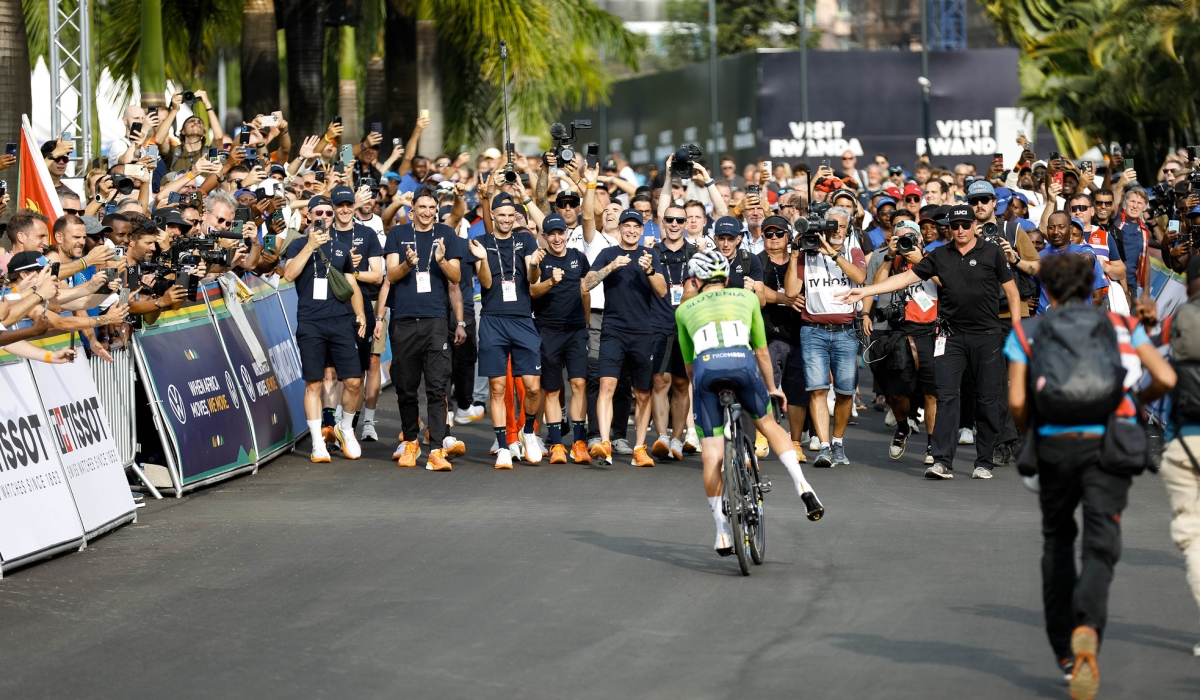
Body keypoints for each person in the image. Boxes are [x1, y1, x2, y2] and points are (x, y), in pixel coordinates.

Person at [1007, 253, 1174, 700]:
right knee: (1101, 543)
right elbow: (1163, 375)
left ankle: (1065, 652)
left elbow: (1018, 401)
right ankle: (1088, 627)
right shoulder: (1121, 325)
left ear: (1047, 289)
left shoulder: (1028, 331)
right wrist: (1134, 403)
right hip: (1109, 444)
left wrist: (1031, 435)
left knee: (1057, 540)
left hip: (1055, 445)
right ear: (1094, 288)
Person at [840, 204, 1021, 480]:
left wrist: (1017, 332)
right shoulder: (940, 255)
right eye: (955, 226)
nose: (960, 230)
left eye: (966, 225)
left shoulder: (992, 251)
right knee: (945, 396)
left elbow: (1012, 292)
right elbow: (905, 278)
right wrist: (865, 292)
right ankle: (941, 461)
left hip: (987, 336)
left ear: (975, 225)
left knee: (987, 399)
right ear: (949, 229)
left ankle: (984, 461)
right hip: (950, 336)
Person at [675, 248, 823, 554]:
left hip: (706, 372)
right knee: (767, 424)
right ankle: (803, 485)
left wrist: (701, 391)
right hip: (742, 365)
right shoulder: (747, 298)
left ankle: (722, 533)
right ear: (726, 276)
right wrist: (773, 388)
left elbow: (689, 367)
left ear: (696, 281)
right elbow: (762, 351)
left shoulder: (684, 309)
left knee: (712, 455)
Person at [384, 186, 466, 470]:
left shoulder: (446, 234)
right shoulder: (398, 234)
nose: (427, 212)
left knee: (437, 386)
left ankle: (436, 449)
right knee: (406, 387)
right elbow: (391, 275)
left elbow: (456, 277)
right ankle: (410, 441)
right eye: (422, 207)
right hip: (404, 320)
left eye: (432, 207)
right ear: (412, 211)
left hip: (435, 320)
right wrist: (408, 264)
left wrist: (441, 260)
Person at [281, 209, 368, 464]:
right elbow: (289, 274)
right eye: (318, 212)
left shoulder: (341, 248)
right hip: (311, 323)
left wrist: (360, 314)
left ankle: (345, 429)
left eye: (328, 212)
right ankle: (317, 443)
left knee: (353, 381)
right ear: (308, 216)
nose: (325, 215)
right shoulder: (297, 244)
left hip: (341, 321)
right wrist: (310, 245)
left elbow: (352, 285)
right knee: (314, 384)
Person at [584, 208, 667, 467]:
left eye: (636, 226)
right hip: (613, 329)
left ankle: (639, 448)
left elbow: (663, 291)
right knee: (606, 386)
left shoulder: (650, 255)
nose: (631, 231)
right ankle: (605, 443)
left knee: (642, 393)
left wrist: (650, 270)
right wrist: (611, 267)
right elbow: (586, 284)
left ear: (641, 230)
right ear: (619, 229)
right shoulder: (608, 254)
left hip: (643, 331)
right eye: (627, 226)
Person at [785, 205, 866, 468]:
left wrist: (833, 254)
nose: (836, 230)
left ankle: (838, 442)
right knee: (818, 389)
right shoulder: (806, 252)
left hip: (845, 332)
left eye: (841, 226)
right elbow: (790, 291)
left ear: (848, 228)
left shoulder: (853, 251)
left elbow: (860, 276)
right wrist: (795, 252)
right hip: (813, 331)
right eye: (831, 225)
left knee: (844, 392)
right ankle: (824, 446)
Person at [470, 192, 545, 468]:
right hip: (493, 319)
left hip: (523, 319)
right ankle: (503, 445)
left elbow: (532, 278)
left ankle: (528, 432)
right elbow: (486, 283)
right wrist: (482, 259)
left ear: (516, 217)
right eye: (500, 215)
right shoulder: (481, 242)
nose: (505, 219)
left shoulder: (526, 240)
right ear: (492, 215)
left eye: (510, 215)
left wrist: (534, 264)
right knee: (498, 387)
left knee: (532, 387)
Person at [530, 213, 591, 464]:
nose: (557, 238)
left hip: (575, 330)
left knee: (579, 384)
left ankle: (579, 442)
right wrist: (550, 282)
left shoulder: (578, 257)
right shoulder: (539, 259)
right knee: (552, 389)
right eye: (552, 234)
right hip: (547, 330)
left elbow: (585, 291)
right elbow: (533, 291)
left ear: (567, 233)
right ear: (544, 236)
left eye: (561, 232)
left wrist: (586, 325)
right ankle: (556, 443)